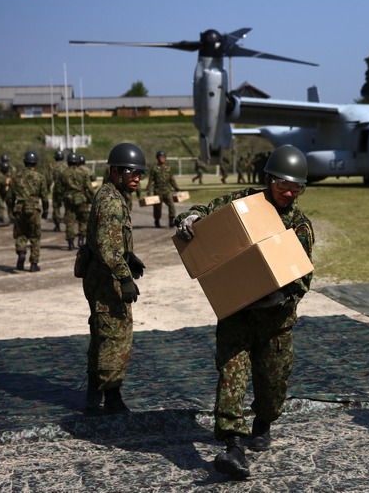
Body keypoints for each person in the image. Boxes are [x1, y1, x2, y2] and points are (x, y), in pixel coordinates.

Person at [175, 145, 315, 480]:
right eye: (283, 185)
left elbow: (302, 277)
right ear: (268, 179)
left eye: (296, 188)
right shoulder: (242, 204)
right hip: (237, 314)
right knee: (232, 373)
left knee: (273, 382)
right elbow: (203, 212)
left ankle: (263, 422)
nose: (288, 193)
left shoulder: (299, 226)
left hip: (275, 321)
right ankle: (232, 444)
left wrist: (279, 296)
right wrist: (189, 219)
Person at [81, 142, 147, 415]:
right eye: (132, 172)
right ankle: (112, 398)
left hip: (102, 274)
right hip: (107, 279)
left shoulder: (114, 195)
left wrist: (129, 256)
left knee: (102, 334)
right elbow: (107, 248)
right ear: (116, 172)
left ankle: (94, 396)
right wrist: (124, 277)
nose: (137, 178)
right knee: (114, 335)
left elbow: (109, 242)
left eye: (140, 174)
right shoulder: (111, 201)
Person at [6, 151, 48, 272]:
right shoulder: (40, 177)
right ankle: (34, 264)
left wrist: (11, 210)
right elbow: (45, 197)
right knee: (35, 236)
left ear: (24, 162)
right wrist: (45, 210)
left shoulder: (15, 178)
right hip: (34, 209)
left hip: (19, 209)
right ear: (35, 163)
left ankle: (21, 253)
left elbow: (9, 197)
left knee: (20, 234)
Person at [62, 152, 94, 250]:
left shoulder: (64, 173)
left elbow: (59, 188)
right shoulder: (83, 173)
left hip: (69, 200)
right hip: (82, 199)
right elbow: (89, 187)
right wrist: (92, 198)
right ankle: (81, 239)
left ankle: (70, 243)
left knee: (69, 222)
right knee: (83, 220)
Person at [146, 150, 180, 228]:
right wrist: (148, 190)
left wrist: (176, 188)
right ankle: (157, 220)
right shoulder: (154, 169)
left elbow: (172, 180)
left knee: (171, 205)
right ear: (157, 158)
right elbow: (150, 180)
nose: (162, 159)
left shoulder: (168, 168)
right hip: (157, 191)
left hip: (167, 191)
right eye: (161, 157)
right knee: (157, 208)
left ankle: (171, 220)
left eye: (163, 157)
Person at [48, 149, 68, 232]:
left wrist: (48, 188)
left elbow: (49, 179)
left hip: (57, 190)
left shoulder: (52, 166)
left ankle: (57, 226)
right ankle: (68, 226)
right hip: (66, 190)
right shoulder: (67, 165)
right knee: (68, 208)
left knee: (56, 208)